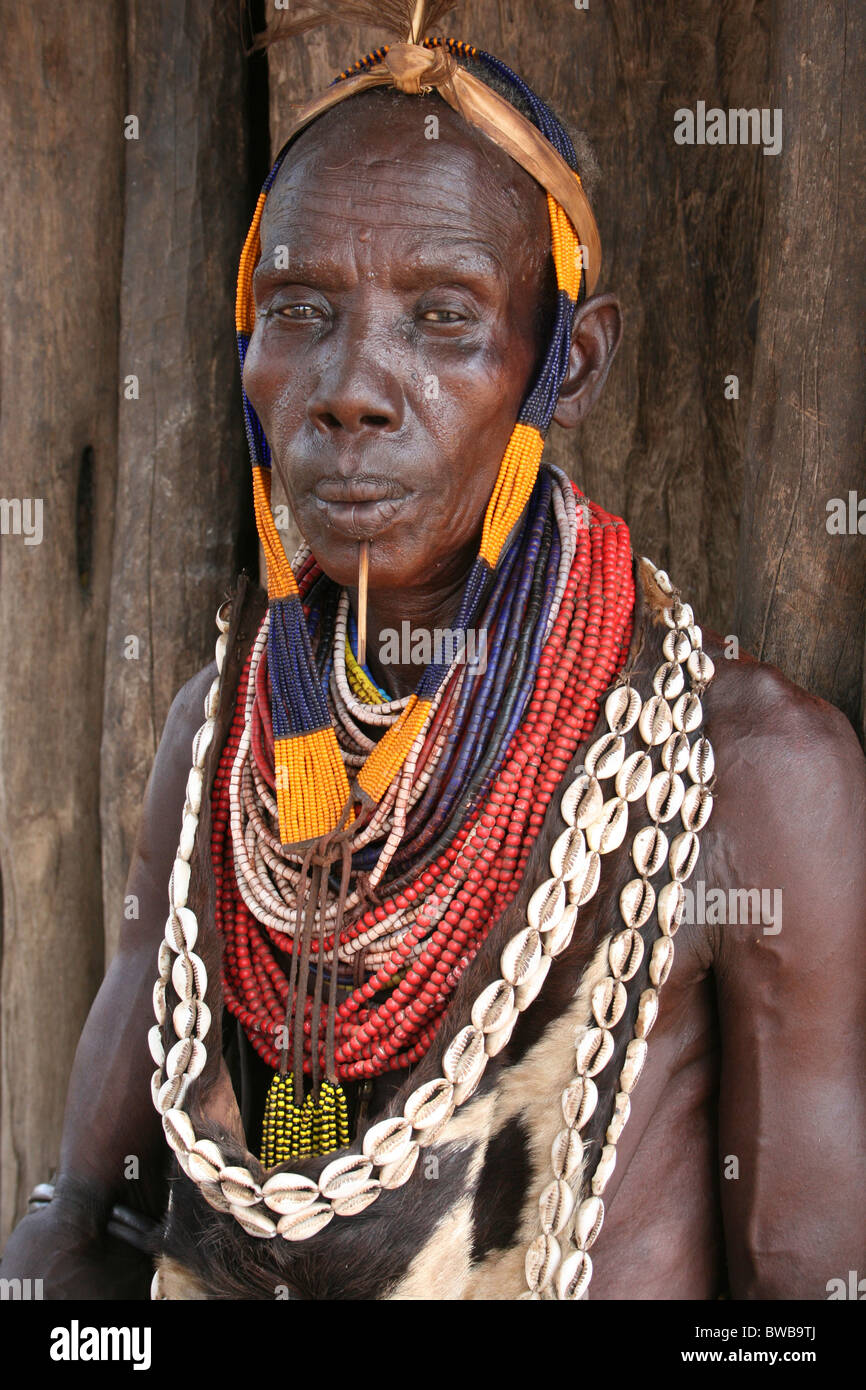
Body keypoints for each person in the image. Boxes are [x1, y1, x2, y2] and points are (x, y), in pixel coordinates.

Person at [2, 15, 864, 1302]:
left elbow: (807, 1298)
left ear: (566, 362)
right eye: (298, 310)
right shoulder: (222, 746)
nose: (350, 388)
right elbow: (81, 1224)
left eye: (443, 317)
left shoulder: (742, 776)